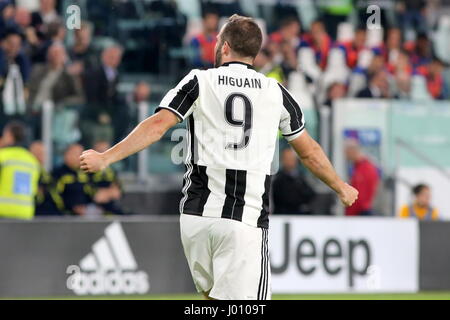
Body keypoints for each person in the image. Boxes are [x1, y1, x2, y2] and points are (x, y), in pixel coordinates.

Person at [80, 14, 358, 300]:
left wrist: (106, 158)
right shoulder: (276, 92)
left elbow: (157, 125)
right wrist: (340, 186)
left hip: (196, 219)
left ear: (225, 47)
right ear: (255, 51)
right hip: (243, 222)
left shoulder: (199, 81)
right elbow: (309, 152)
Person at [0, 121, 40, 220]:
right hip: (25, 213)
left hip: (2, 213)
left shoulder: (2, 156)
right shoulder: (32, 160)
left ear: (9, 135)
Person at [53, 143, 95, 216]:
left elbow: (91, 193)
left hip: (85, 214)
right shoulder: (58, 174)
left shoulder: (86, 173)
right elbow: (55, 196)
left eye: (81, 154)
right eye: (76, 154)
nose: (80, 157)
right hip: (64, 216)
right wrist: (72, 208)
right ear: (66, 155)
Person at [272, 148, 316, 215]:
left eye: (291, 159)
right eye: (287, 159)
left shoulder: (303, 177)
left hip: (302, 215)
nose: (289, 161)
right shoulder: (277, 179)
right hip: (282, 214)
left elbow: (311, 194)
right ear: (282, 160)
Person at [90, 140, 127, 215]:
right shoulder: (87, 170)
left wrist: (107, 193)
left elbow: (118, 192)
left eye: (106, 152)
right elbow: (96, 196)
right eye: (100, 152)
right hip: (92, 209)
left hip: (112, 209)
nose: (103, 155)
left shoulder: (112, 171)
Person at [344, 139, 379, 216]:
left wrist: (349, 213)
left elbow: (360, 197)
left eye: (346, 152)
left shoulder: (364, 169)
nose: (345, 156)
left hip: (361, 212)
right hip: (361, 210)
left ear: (352, 151)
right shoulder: (360, 167)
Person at [29, 140, 63, 216]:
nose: (40, 156)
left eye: (42, 153)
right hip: (36, 215)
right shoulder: (28, 173)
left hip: (51, 214)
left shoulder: (45, 173)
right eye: (37, 153)